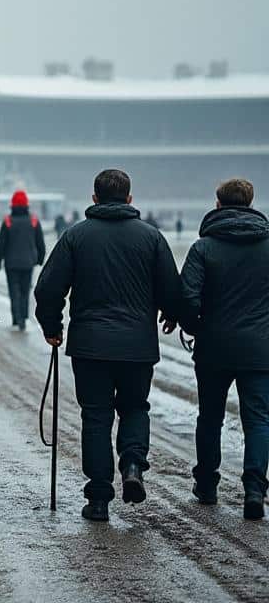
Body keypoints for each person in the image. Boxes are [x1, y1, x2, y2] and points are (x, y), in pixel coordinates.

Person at [35, 169, 182, 522]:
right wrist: (173, 314)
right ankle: (132, 464)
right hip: (137, 346)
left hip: (90, 346)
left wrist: (52, 326)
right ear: (130, 199)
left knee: (96, 417)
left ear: (94, 198)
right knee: (135, 408)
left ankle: (99, 498)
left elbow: (47, 289)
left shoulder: (75, 236)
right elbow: (172, 289)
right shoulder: (152, 237)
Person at [174, 178, 269, 520]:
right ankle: (255, 488)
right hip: (259, 348)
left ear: (218, 205)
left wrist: (194, 326)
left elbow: (187, 296)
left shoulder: (204, 248)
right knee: (258, 419)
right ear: (251, 203)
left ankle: (207, 483)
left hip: (213, 347)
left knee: (210, 416)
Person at [0, 190, 46, 331]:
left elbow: (1, 245)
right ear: (26, 204)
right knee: (25, 291)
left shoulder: (8, 221)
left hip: (11, 263)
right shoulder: (34, 221)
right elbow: (40, 243)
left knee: (14, 291)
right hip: (28, 263)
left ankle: (16, 318)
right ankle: (23, 317)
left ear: (12, 205)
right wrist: (40, 259)